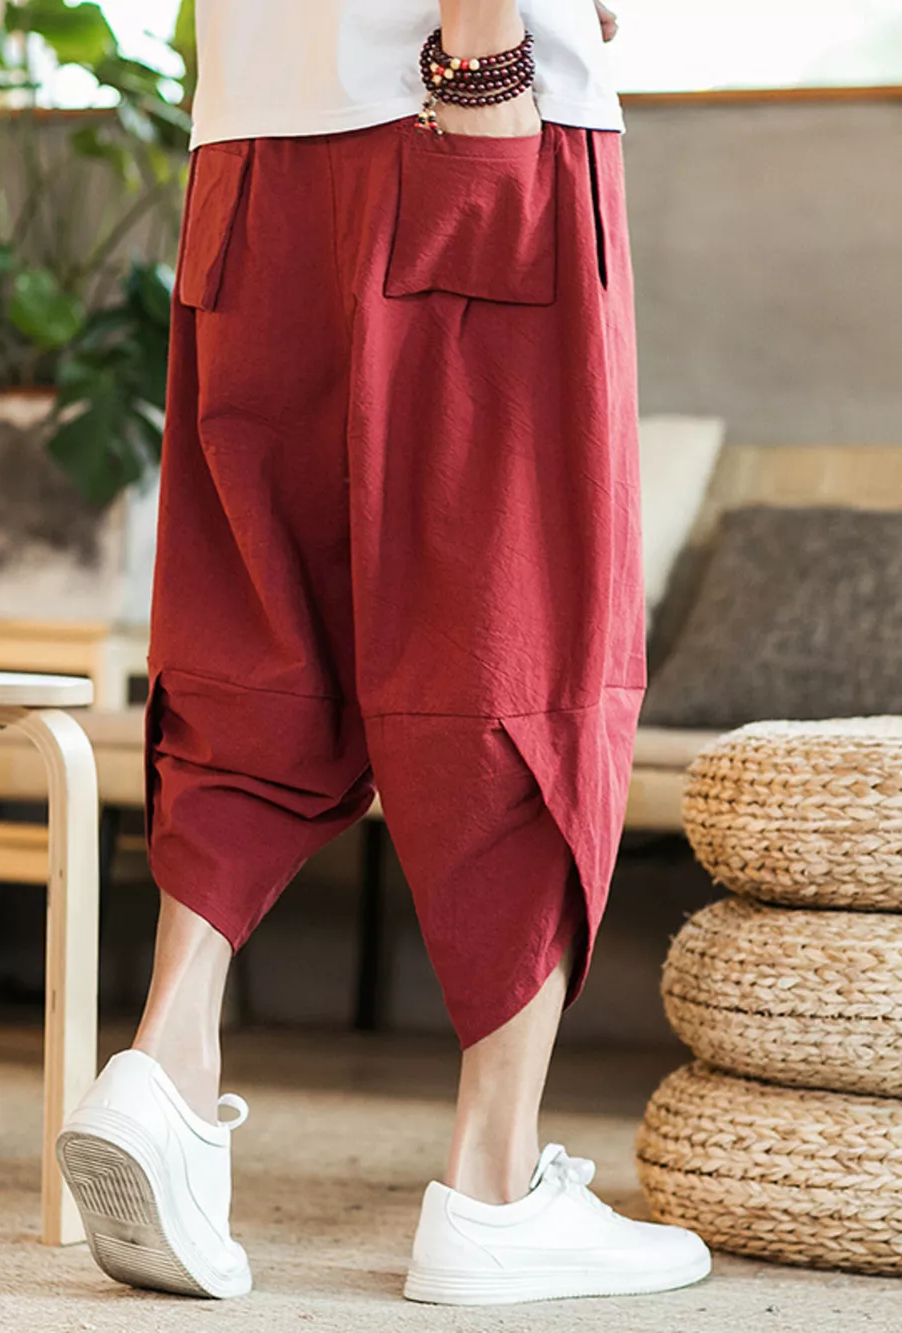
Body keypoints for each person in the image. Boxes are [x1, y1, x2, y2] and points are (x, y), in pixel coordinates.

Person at [56, 0, 711, 1306]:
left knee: (261, 637)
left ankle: (165, 1068)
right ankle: (493, 1186)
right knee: (520, 651)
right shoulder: (479, 76)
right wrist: (486, 49)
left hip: (251, 152)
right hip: (462, 114)